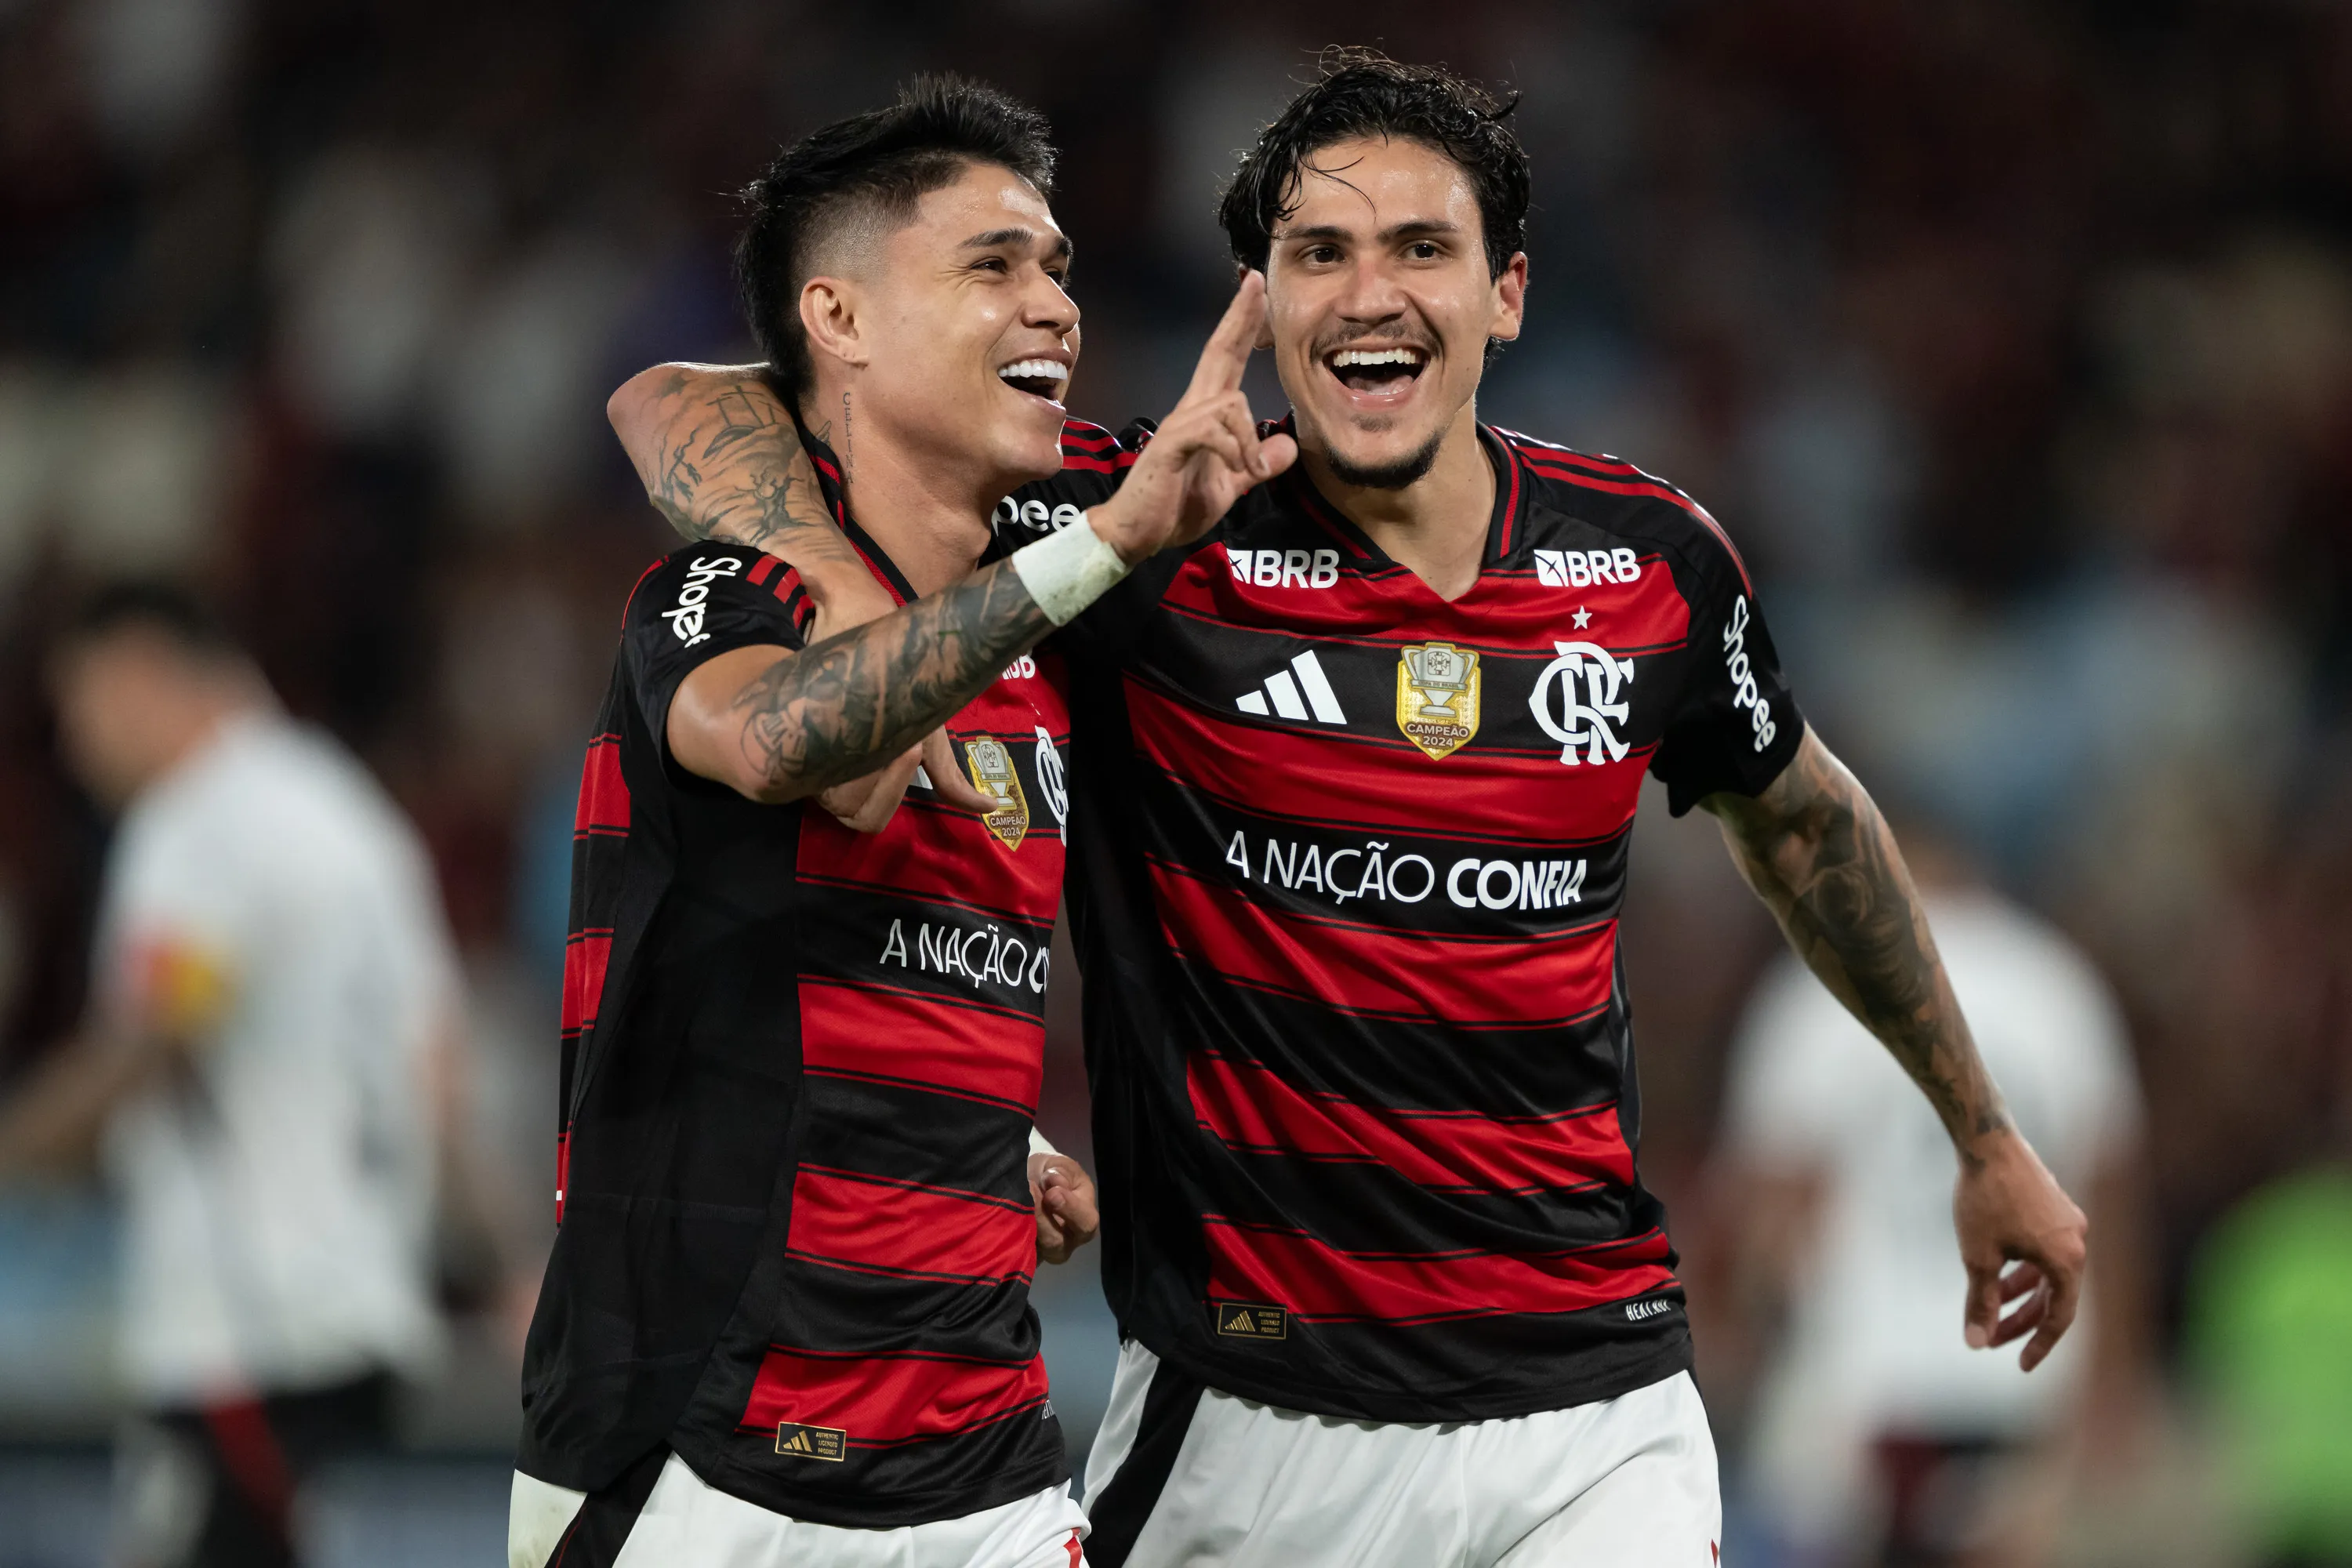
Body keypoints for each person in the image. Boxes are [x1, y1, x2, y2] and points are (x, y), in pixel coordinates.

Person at [615, 51, 2090, 1567]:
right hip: (1249, 1423)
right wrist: (853, 583)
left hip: (1594, 1408)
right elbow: (680, 406)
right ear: (1264, 303)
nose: (1368, 295)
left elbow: (1806, 824)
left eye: (1420, 249)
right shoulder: (1147, 522)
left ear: (1506, 295)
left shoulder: (1651, 564)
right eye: (1319, 254)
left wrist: (1984, 1135)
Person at [510, 79, 1290, 1567]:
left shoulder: (1038, 601)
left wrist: (980, 1139)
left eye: (1056, 266)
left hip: (985, 1459)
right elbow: (782, 739)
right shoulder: (724, 590)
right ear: (840, 318)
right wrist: (1099, 548)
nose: (1054, 304)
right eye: (992, 265)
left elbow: (877, 961)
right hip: (704, 1462)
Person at [0, 583, 456, 1568]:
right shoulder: (349, 810)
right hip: (359, 1300)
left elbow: (151, 1038)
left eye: (77, 705)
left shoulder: (204, 820)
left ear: (140, 673)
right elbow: (437, 1060)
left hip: (247, 1328)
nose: (73, 744)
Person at [1719, 825, 2146, 1566]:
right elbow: (2111, 1204)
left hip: (1868, 1384)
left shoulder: (1818, 985)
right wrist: (2114, 1381)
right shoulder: (2056, 983)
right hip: (2028, 1376)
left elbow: (1771, 1220)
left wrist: (1760, 1349)